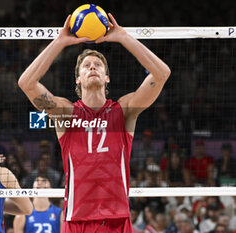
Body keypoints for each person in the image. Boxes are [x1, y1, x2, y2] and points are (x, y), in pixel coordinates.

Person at [18, 13, 170, 233]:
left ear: (107, 77)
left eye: (98, 64)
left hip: (116, 219)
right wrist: (60, 41)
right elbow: (26, 83)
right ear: (78, 79)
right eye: (86, 65)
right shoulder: (66, 114)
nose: (92, 67)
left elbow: (162, 73)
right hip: (76, 219)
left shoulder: (124, 111)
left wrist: (123, 37)